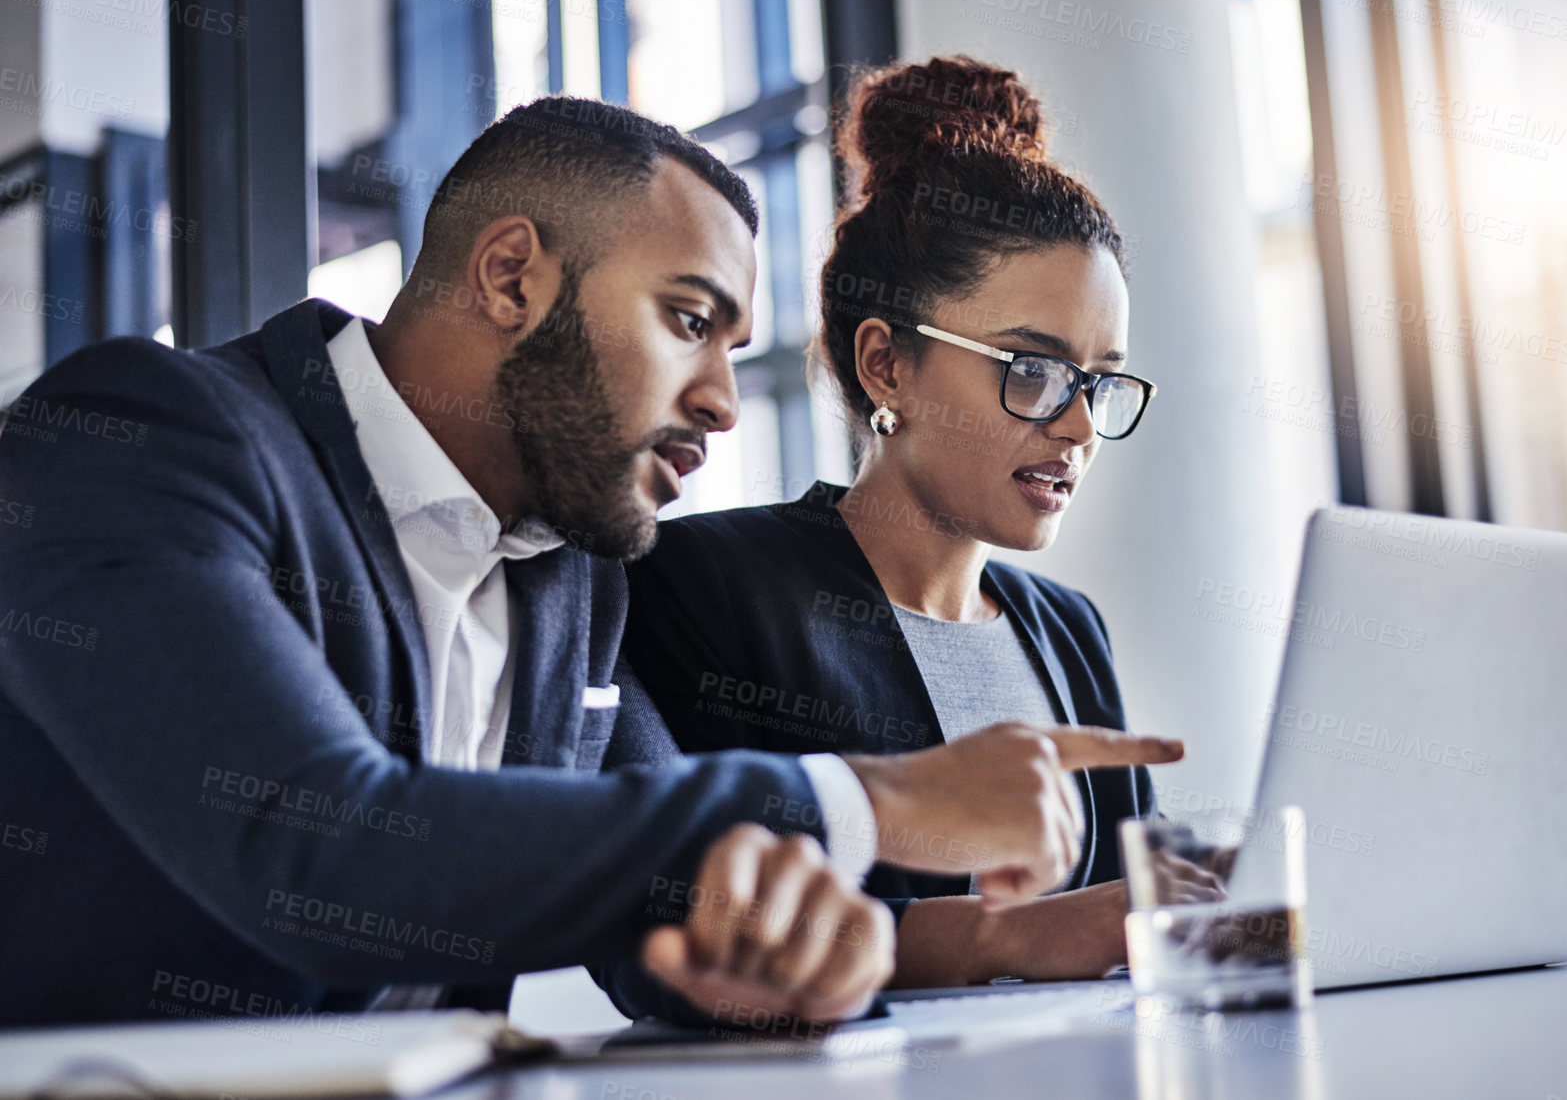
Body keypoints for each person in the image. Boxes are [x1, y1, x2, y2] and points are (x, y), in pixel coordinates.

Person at [0, 95, 1182, 1027]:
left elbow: (663, 916)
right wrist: (871, 802)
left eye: (735, 348)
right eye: (687, 321)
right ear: (512, 276)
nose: (723, 404)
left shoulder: (571, 570)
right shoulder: (147, 437)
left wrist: (778, 955)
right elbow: (315, 839)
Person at [622, 57, 1188, 990]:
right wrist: (1006, 938)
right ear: (885, 365)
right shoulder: (702, 584)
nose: (1081, 425)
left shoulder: (1068, 630)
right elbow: (668, 927)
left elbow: (1124, 926)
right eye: (1032, 369)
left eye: (1098, 380)